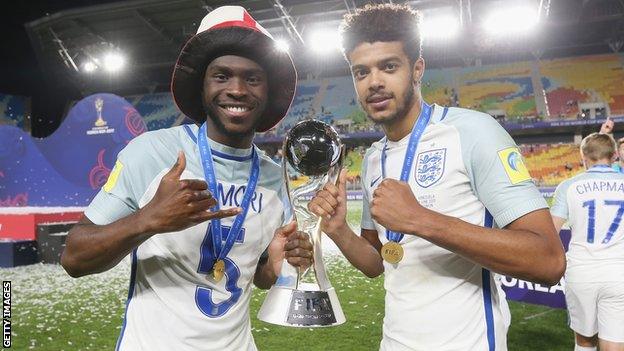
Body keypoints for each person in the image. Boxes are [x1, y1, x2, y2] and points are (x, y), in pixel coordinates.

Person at [308, 3, 566, 350]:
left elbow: (548, 260)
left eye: (389, 67)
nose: (375, 83)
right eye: (361, 72)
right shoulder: (372, 159)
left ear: (417, 69)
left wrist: (420, 219)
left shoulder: (474, 132)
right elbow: (377, 262)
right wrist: (338, 230)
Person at [61, 6, 312, 351]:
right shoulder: (150, 154)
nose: (237, 90)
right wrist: (148, 220)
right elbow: (74, 258)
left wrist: (277, 262)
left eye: (252, 78)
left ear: (267, 92)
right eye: (221, 76)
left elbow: (260, 275)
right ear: (202, 86)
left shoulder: (273, 177)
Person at [551, 133, 624, 351]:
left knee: (584, 342)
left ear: (583, 155)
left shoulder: (568, 186)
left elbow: (550, 232)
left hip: (582, 272)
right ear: (614, 155)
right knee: (615, 343)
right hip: (619, 272)